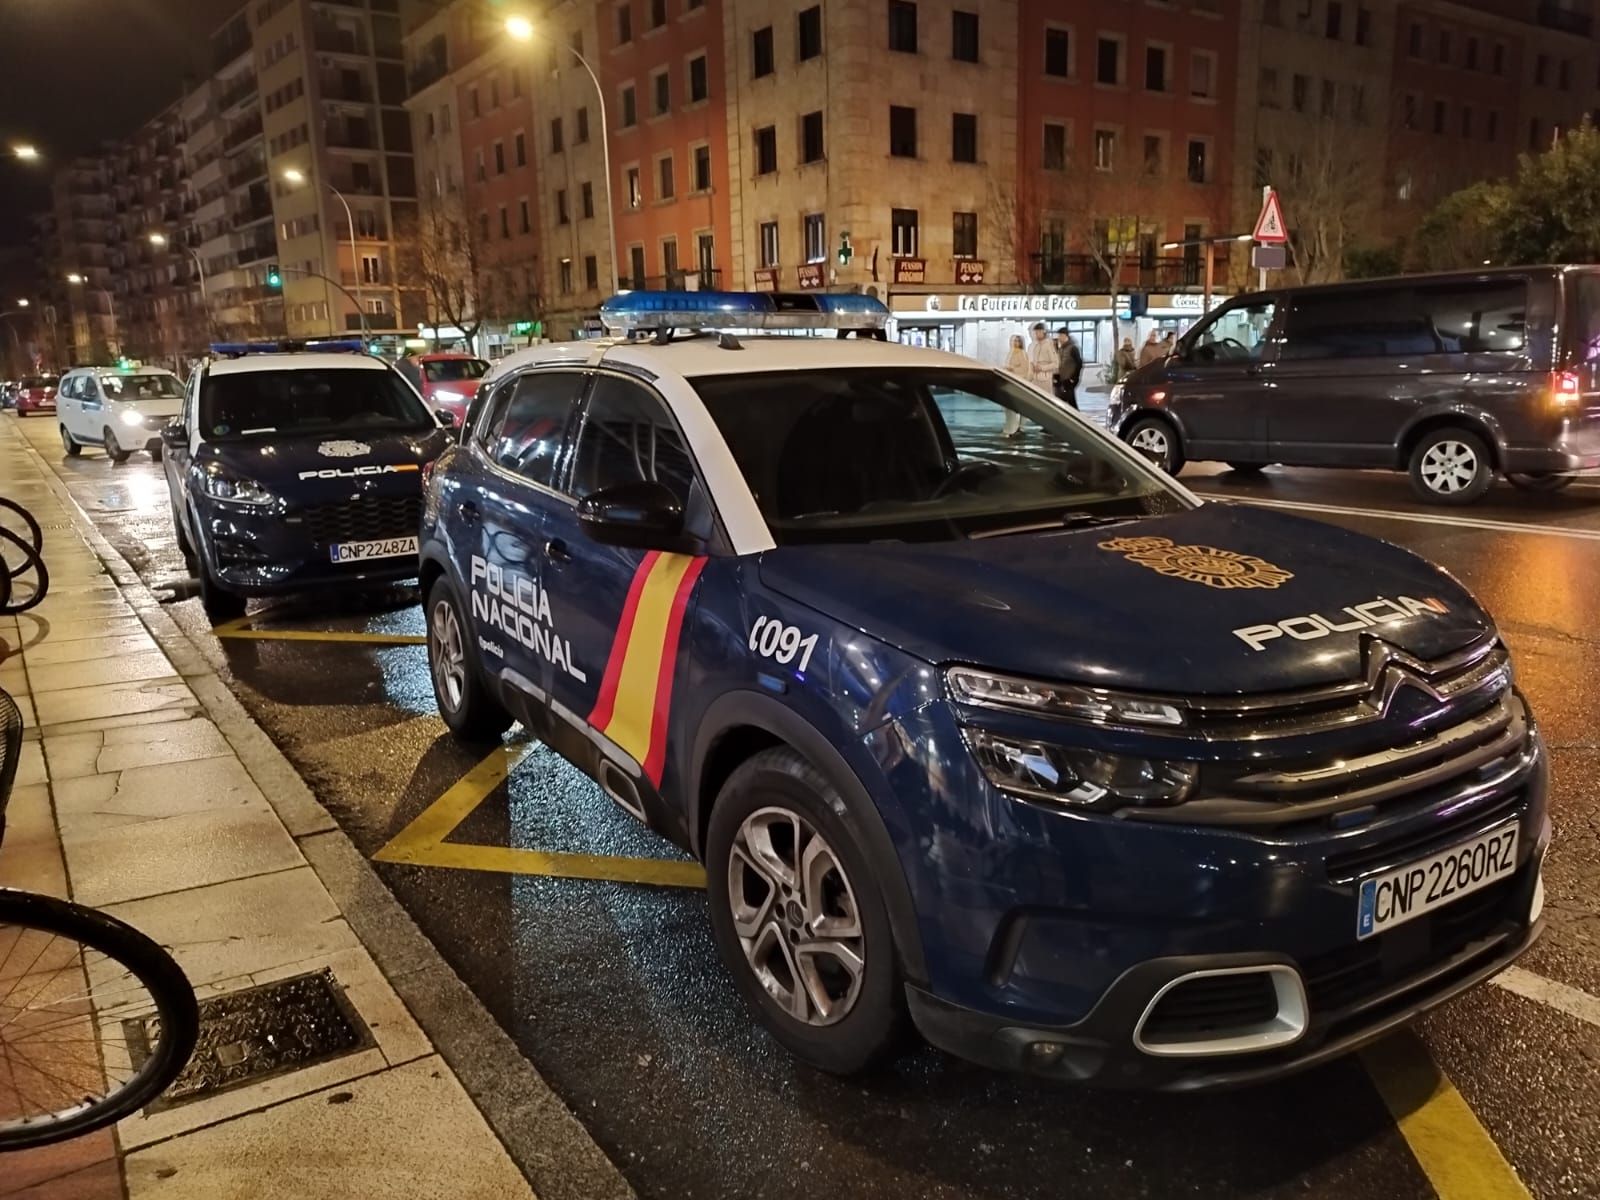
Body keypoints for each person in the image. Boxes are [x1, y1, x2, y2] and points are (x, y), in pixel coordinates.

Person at [1001, 334, 1029, 436]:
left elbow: (1025, 369)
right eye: (1014, 341)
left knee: (1017, 407)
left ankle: (1018, 428)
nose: (1015, 343)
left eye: (1017, 341)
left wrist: (1013, 369)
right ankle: (1012, 427)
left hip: (1018, 381)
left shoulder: (1022, 353)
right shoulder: (1010, 353)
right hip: (1010, 380)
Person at [1053, 327, 1083, 410]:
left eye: (1060, 335)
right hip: (1062, 380)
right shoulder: (1061, 349)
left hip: (1069, 380)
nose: (1059, 338)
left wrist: (1073, 378)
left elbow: (1079, 363)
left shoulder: (1073, 348)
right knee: (1064, 401)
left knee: (1071, 402)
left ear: (1065, 336)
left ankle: (1077, 419)